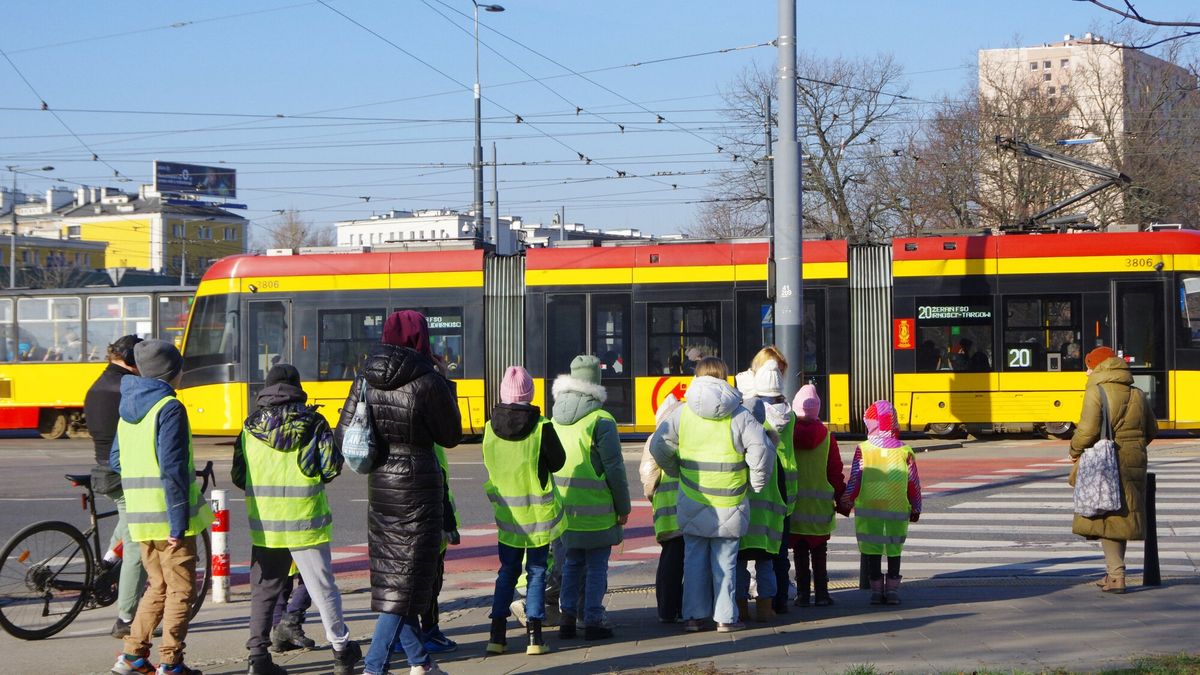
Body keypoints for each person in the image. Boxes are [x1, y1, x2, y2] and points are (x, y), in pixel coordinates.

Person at [334, 310, 463, 675]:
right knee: (406, 584)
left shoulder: (364, 378)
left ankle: (421, 663)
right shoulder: (427, 379)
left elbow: (343, 436)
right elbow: (450, 436)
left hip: (382, 488)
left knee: (399, 581)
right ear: (421, 339)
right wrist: (445, 381)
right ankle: (374, 668)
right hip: (419, 488)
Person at [232, 364, 360, 675]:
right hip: (305, 520)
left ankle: (258, 657)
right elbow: (330, 468)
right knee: (322, 587)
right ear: (296, 387)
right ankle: (341, 651)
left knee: (264, 591)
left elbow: (239, 475)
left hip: (266, 525)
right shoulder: (314, 422)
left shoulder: (249, 427)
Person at [110, 340, 214, 675]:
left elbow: (116, 460)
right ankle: (171, 662)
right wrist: (177, 521)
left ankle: (132, 656)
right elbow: (171, 469)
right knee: (181, 590)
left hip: (141, 518)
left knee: (157, 587)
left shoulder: (129, 406)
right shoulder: (168, 407)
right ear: (171, 370)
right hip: (169, 517)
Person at [649, 357, 772, 633]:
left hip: (693, 499)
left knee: (693, 561)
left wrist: (677, 469)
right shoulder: (739, 415)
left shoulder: (682, 414)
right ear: (724, 377)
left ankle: (693, 616)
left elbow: (658, 447)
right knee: (726, 565)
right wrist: (756, 483)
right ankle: (726, 618)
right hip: (730, 502)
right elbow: (761, 452)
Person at [482, 366, 566, 655]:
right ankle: (534, 636)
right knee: (537, 571)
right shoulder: (542, 426)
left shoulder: (489, 428)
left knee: (506, 571)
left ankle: (496, 635)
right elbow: (558, 462)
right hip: (538, 516)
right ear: (529, 394)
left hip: (508, 516)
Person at [551, 355, 630, 641]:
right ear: (597, 381)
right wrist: (623, 507)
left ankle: (567, 620)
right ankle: (593, 620)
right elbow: (615, 469)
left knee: (571, 563)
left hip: (565, 509)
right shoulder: (601, 420)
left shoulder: (554, 417)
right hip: (597, 510)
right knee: (597, 566)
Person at [1068, 346, 1157, 594]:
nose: (1086, 371)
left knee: (1108, 516)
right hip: (1135, 458)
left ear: (1099, 366)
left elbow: (1087, 431)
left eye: (1088, 365)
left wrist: (1074, 450)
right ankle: (1113, 573)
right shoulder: (1137, 392)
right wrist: (1133, 446)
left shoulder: (1097, 391)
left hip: (1108, 460)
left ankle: (1116, 576)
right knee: (1121, 517)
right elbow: (1152, 429)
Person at [83, 335, 148, 640]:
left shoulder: (98, 384)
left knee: (126, 520)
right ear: (133, 361)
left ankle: (108, 562)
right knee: (138, 543)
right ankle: (126, 618)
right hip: (122, 474)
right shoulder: (126, 387)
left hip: (101, 470)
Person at [840, 400, 921, 606]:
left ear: (871, 423)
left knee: (872, 549)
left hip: (869, 510)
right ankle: (892, 591)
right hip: (897, 508)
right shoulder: (905, 450)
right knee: (894, 550)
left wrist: (846, 502)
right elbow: (913, 482)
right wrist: (916, 506)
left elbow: (855, 479)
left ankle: (876, 592)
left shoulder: (864, 449)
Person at [735, 359, 792, 622]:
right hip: (768, 527)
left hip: (743, 525)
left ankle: (742, 609)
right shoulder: (773, 450)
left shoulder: (738, 451)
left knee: (739, 568)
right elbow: (780, 490)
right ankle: (766, 609)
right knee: (767, 567)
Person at [789, 384, 847, 607]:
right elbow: (835, 471)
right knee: (819, 552)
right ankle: (822, 593)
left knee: (800, 553)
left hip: (796, 505)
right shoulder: (827, 437)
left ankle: (802, 594)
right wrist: (842, 498)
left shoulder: (788, 435)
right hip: (821, 506)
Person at [638, 393, 685, 623]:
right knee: (689, 562)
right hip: (689, 507)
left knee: (669, 560)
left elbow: (648, 477)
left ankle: (666, 610)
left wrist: (653, 496)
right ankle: (685, 608)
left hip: (665, 510)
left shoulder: (655, 438)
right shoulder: (686, 433)